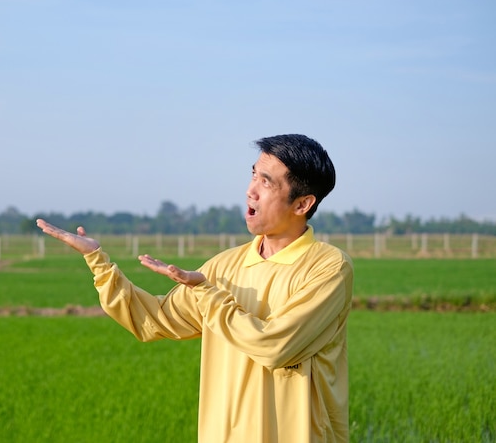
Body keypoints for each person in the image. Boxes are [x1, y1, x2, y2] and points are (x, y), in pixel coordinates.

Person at [36, 134, 353, 443]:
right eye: (253, 175)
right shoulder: (224, 266)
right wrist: (98, 261)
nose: (250, 191)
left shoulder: (327, 268)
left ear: (303, 204)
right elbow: (156, 319)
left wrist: (207, 293)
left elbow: (276, 347)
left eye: (267, 182)